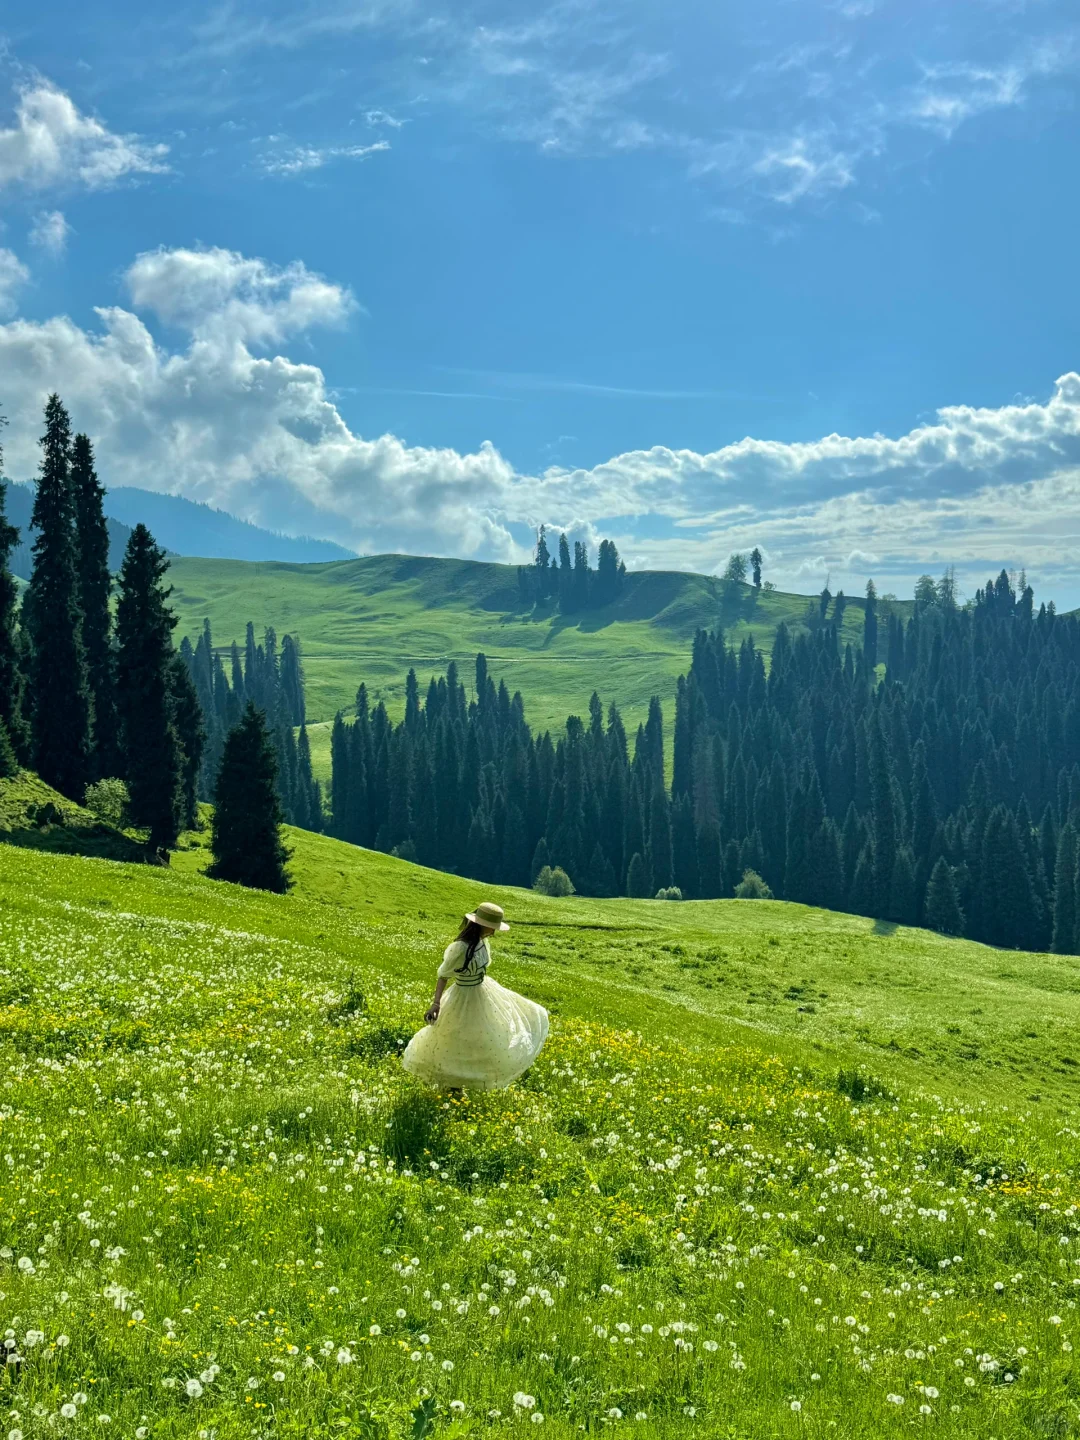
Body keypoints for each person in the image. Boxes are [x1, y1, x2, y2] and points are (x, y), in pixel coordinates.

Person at [401, 901, 549, 1090]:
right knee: (458, 1037)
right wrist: (436, 1003)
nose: (493, 932)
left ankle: (471, 1079)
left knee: (490, 1033)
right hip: (463, 997)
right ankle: (453, 1083)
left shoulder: (482, 942)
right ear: (481, 924)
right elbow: (443, 976)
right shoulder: (460, 948)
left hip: (484, 991)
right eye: (492, 927)